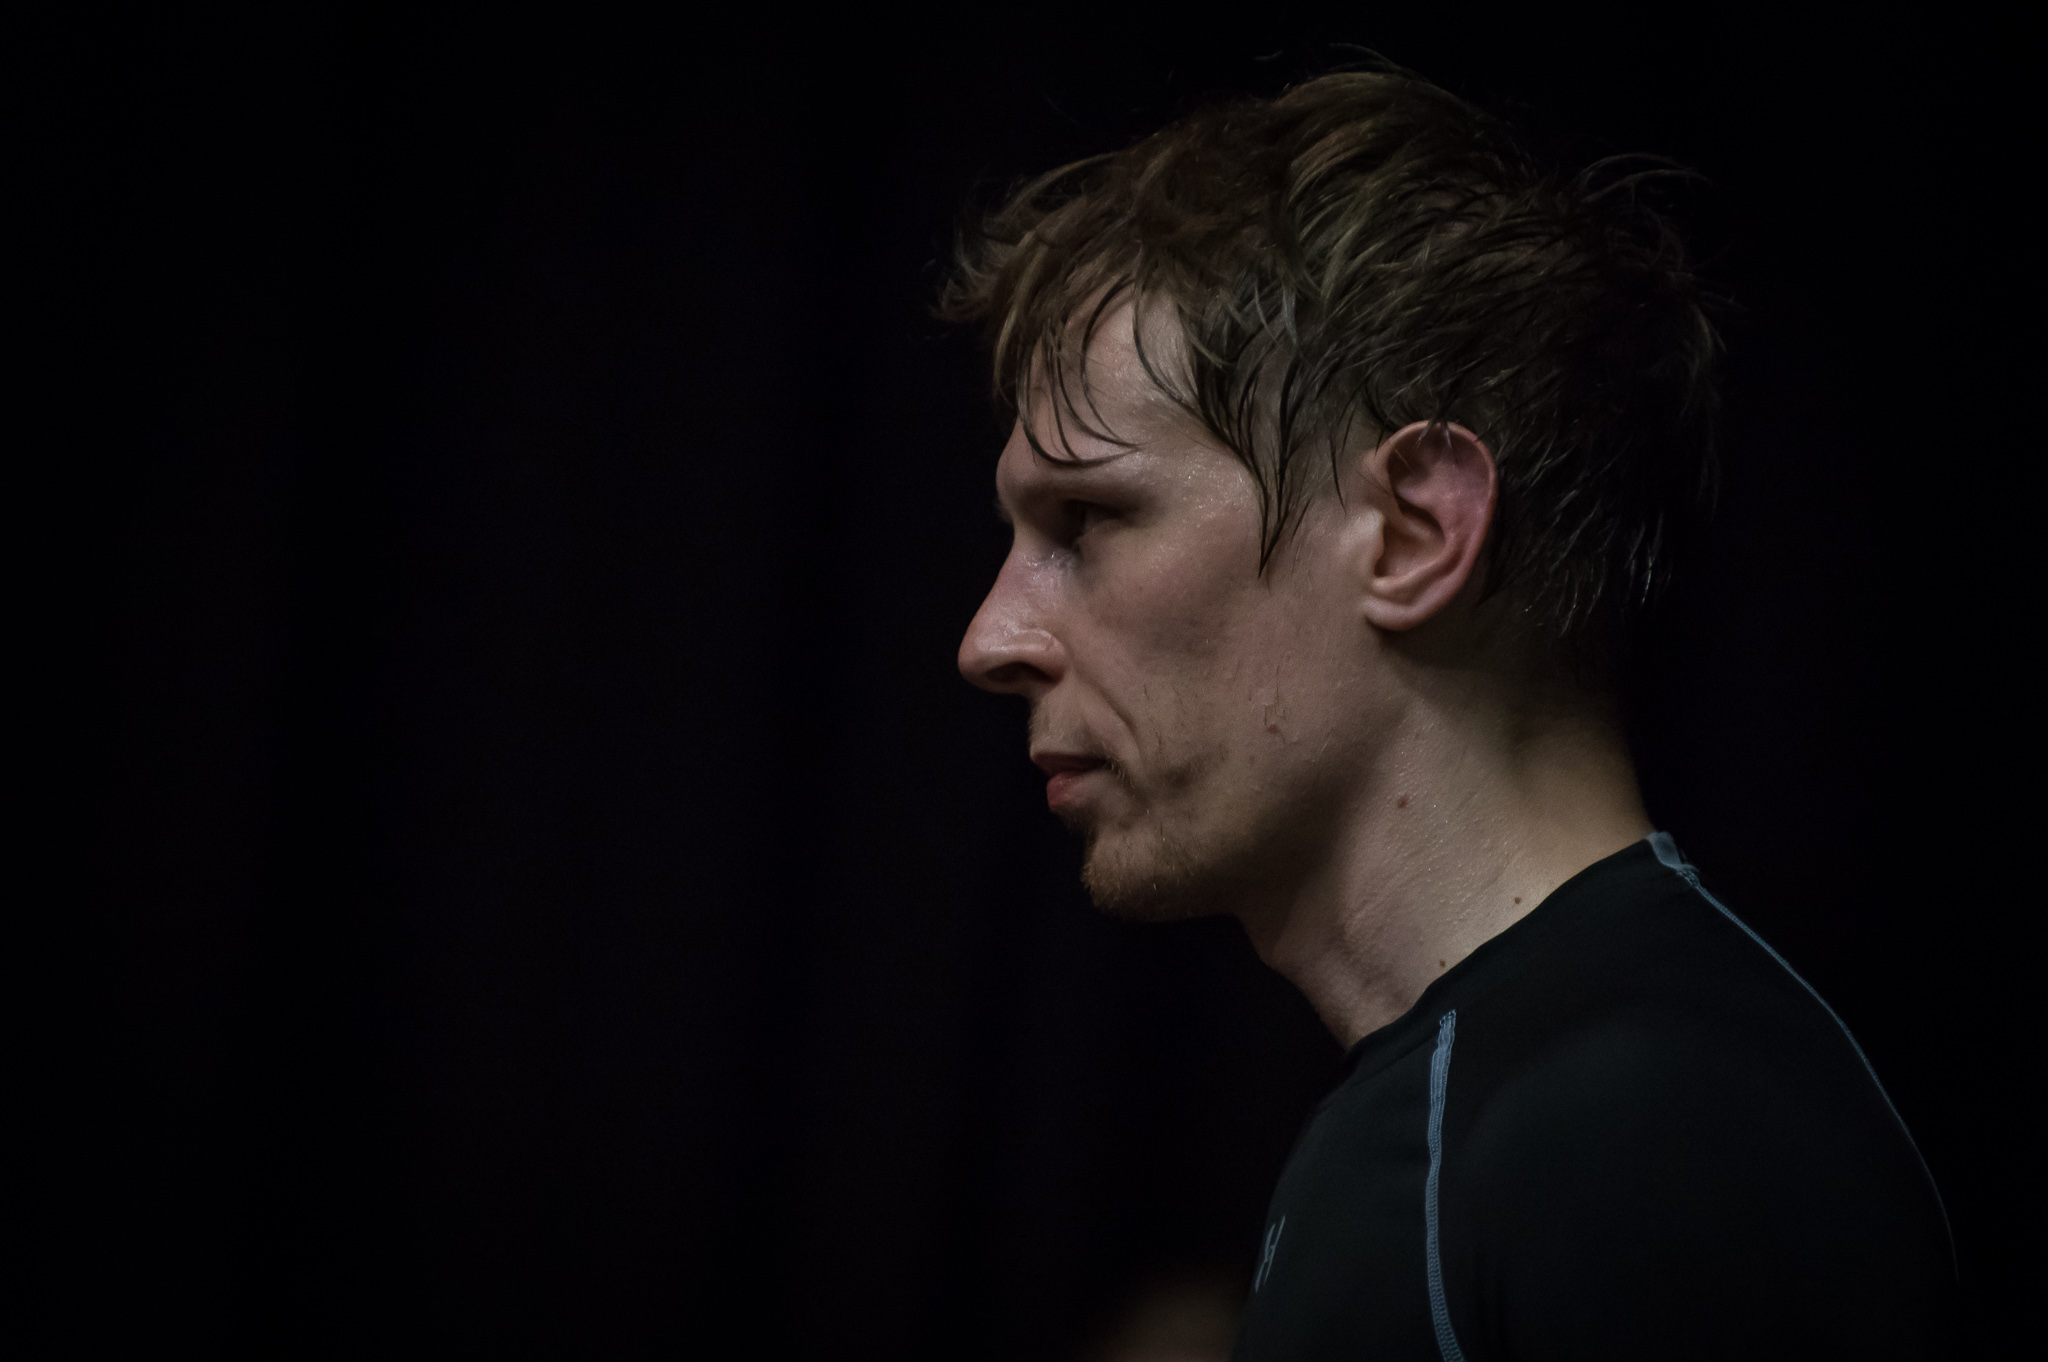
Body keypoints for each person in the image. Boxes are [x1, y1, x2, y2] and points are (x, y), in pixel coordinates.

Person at [944, 68, 1959, 1359]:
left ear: (1415, 532)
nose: (989, 639)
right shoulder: (1506, 1109)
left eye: (1088, 518)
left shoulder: (1644, 1126)